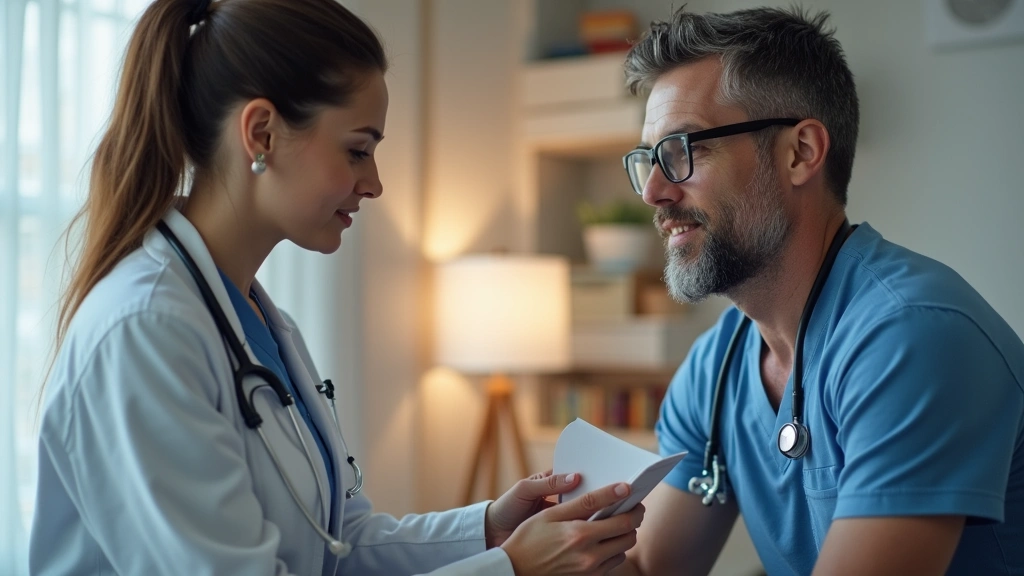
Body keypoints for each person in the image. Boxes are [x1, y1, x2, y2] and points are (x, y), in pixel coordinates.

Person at [28, 1, 644, 575]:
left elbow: (338, 545)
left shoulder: (257, 321)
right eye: (357, 150)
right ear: (262, 133)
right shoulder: (146, 330)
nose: (373, 184)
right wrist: (510, 569)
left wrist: (490, 529)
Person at [610, 6, 1023, 576]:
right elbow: (651, 568)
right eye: (648, 160)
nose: (654, 190)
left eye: (685, 149)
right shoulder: (716, 368)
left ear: (800, 152)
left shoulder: (913, 336)